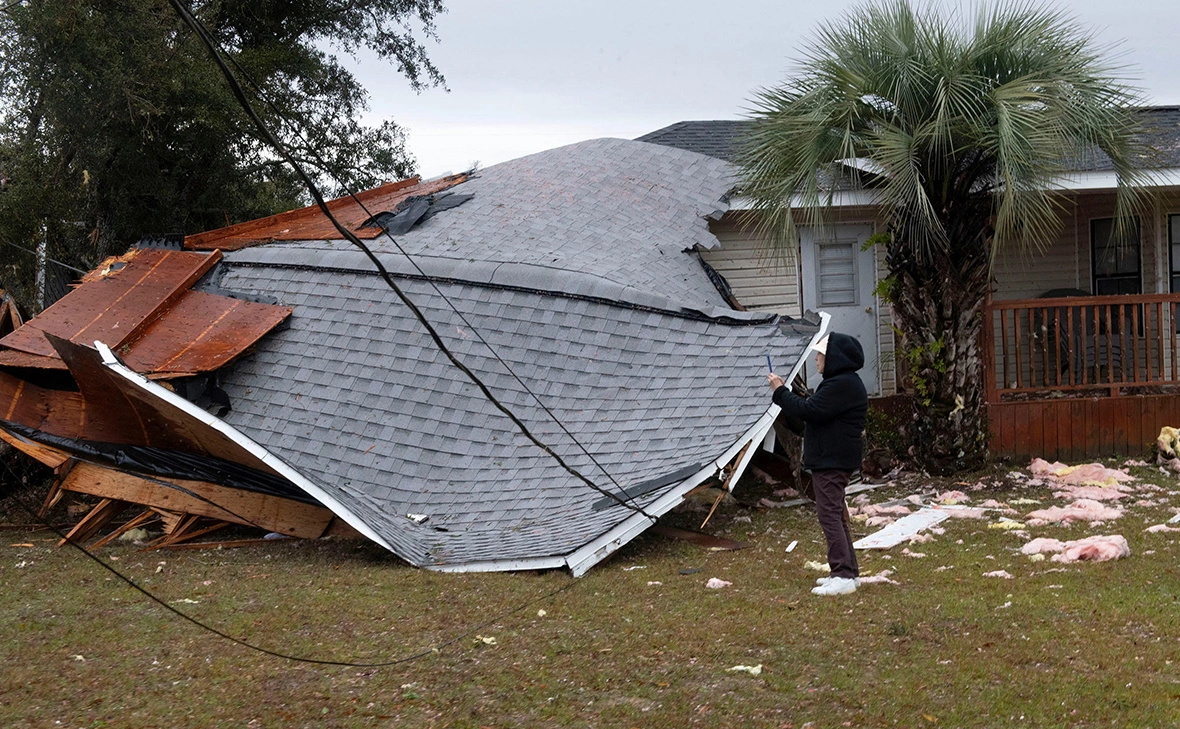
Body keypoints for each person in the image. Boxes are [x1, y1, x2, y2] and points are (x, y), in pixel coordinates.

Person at [767, 332, 868, 596]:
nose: (816, 359)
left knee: (830, 515)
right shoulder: (841, 383)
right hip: (833, 459)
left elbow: (809, 410)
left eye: (820, 354)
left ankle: (842, 575)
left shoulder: (841, 385)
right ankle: (849, 573)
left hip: (832, 461)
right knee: (836, 514)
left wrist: (780, 392)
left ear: (834, 357)